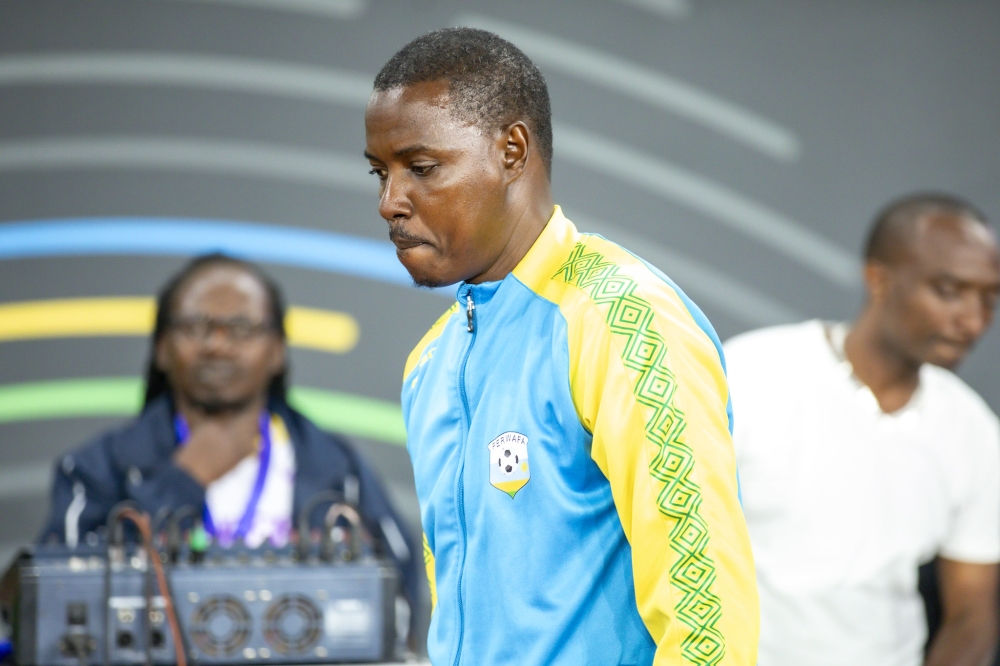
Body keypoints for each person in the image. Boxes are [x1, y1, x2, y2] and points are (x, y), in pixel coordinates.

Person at [364, 27, 758, 666]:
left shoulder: (622, 317)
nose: (390, 202)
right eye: (380, 173)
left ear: (512, 150)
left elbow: (704, 611)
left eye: (422, 168)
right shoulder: (428, 365)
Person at [38, 254, 421, 611]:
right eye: (195, 326)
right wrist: (183, 480)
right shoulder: (93, 469)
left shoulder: (338, 468)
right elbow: (61, 600)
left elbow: (398, 593)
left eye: (241, 327)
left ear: (277, 350)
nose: (218, 345)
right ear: (161, 348)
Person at [724, 194, 1000, 666]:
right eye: (950, 291)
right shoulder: (749, 374)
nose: (973, 321)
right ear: (879, 278)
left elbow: (972, 614)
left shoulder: (973, 430)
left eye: (989, 298)